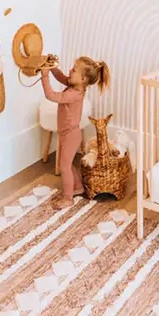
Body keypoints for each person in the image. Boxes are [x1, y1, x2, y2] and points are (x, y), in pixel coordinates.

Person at [39, 54, 111, 206]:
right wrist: (52, 67)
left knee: (64, 167)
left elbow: (51, 95)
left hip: (71, 135)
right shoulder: (75, 86)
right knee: (67, 163)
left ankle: (68, 198)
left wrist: (44, 76)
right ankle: (78, 187)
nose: (70, 70)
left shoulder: (73, 94)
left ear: (83, 79)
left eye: (74, 70)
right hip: (67, 133)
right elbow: (61, 77)